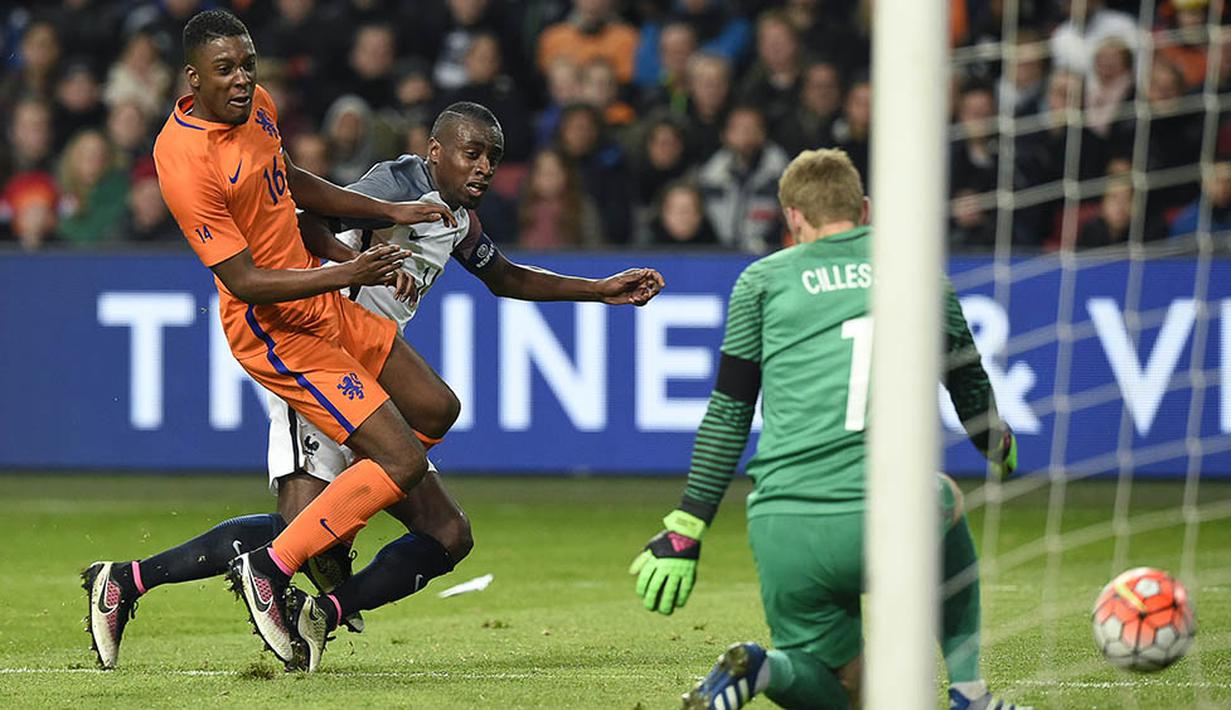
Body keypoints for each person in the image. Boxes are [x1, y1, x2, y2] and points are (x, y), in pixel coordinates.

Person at [83, 76, 663, 675]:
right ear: (435, 151)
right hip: (320, 349)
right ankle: (132, 580)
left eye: (493, 156)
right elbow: (305, 219)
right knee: (303, 527)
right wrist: (354, 265)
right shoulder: (396, 182)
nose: (485, 167)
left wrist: (599, 290)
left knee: (446, 533)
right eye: (473, 153)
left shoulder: (457, 219)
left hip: (373, 372)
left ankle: (323, 609)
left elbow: (507, 278)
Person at [82, 8, 460, 673]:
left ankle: (303, 541)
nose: (242, 79)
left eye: (248, 64)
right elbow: (244, 280)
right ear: (191, 77)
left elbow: (286, 187)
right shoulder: (182, 159)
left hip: (320, 296)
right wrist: (351, 268)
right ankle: (271, 567)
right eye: (225, 69)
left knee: (435, 409)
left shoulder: (257, 108)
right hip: (275, 328)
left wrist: (384, 212)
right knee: (394, 466)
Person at [629, 148, 1025, 710]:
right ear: (864, 209)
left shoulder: (760, 282)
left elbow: (729, 411)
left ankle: (764, 670)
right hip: (890, 515)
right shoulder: (917, 274)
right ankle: (970, 691)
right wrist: (997, 444)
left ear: (792, 218)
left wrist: (687, 526)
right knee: (948, 496)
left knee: (846, 692)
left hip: (785, 524)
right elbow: (968, 387)